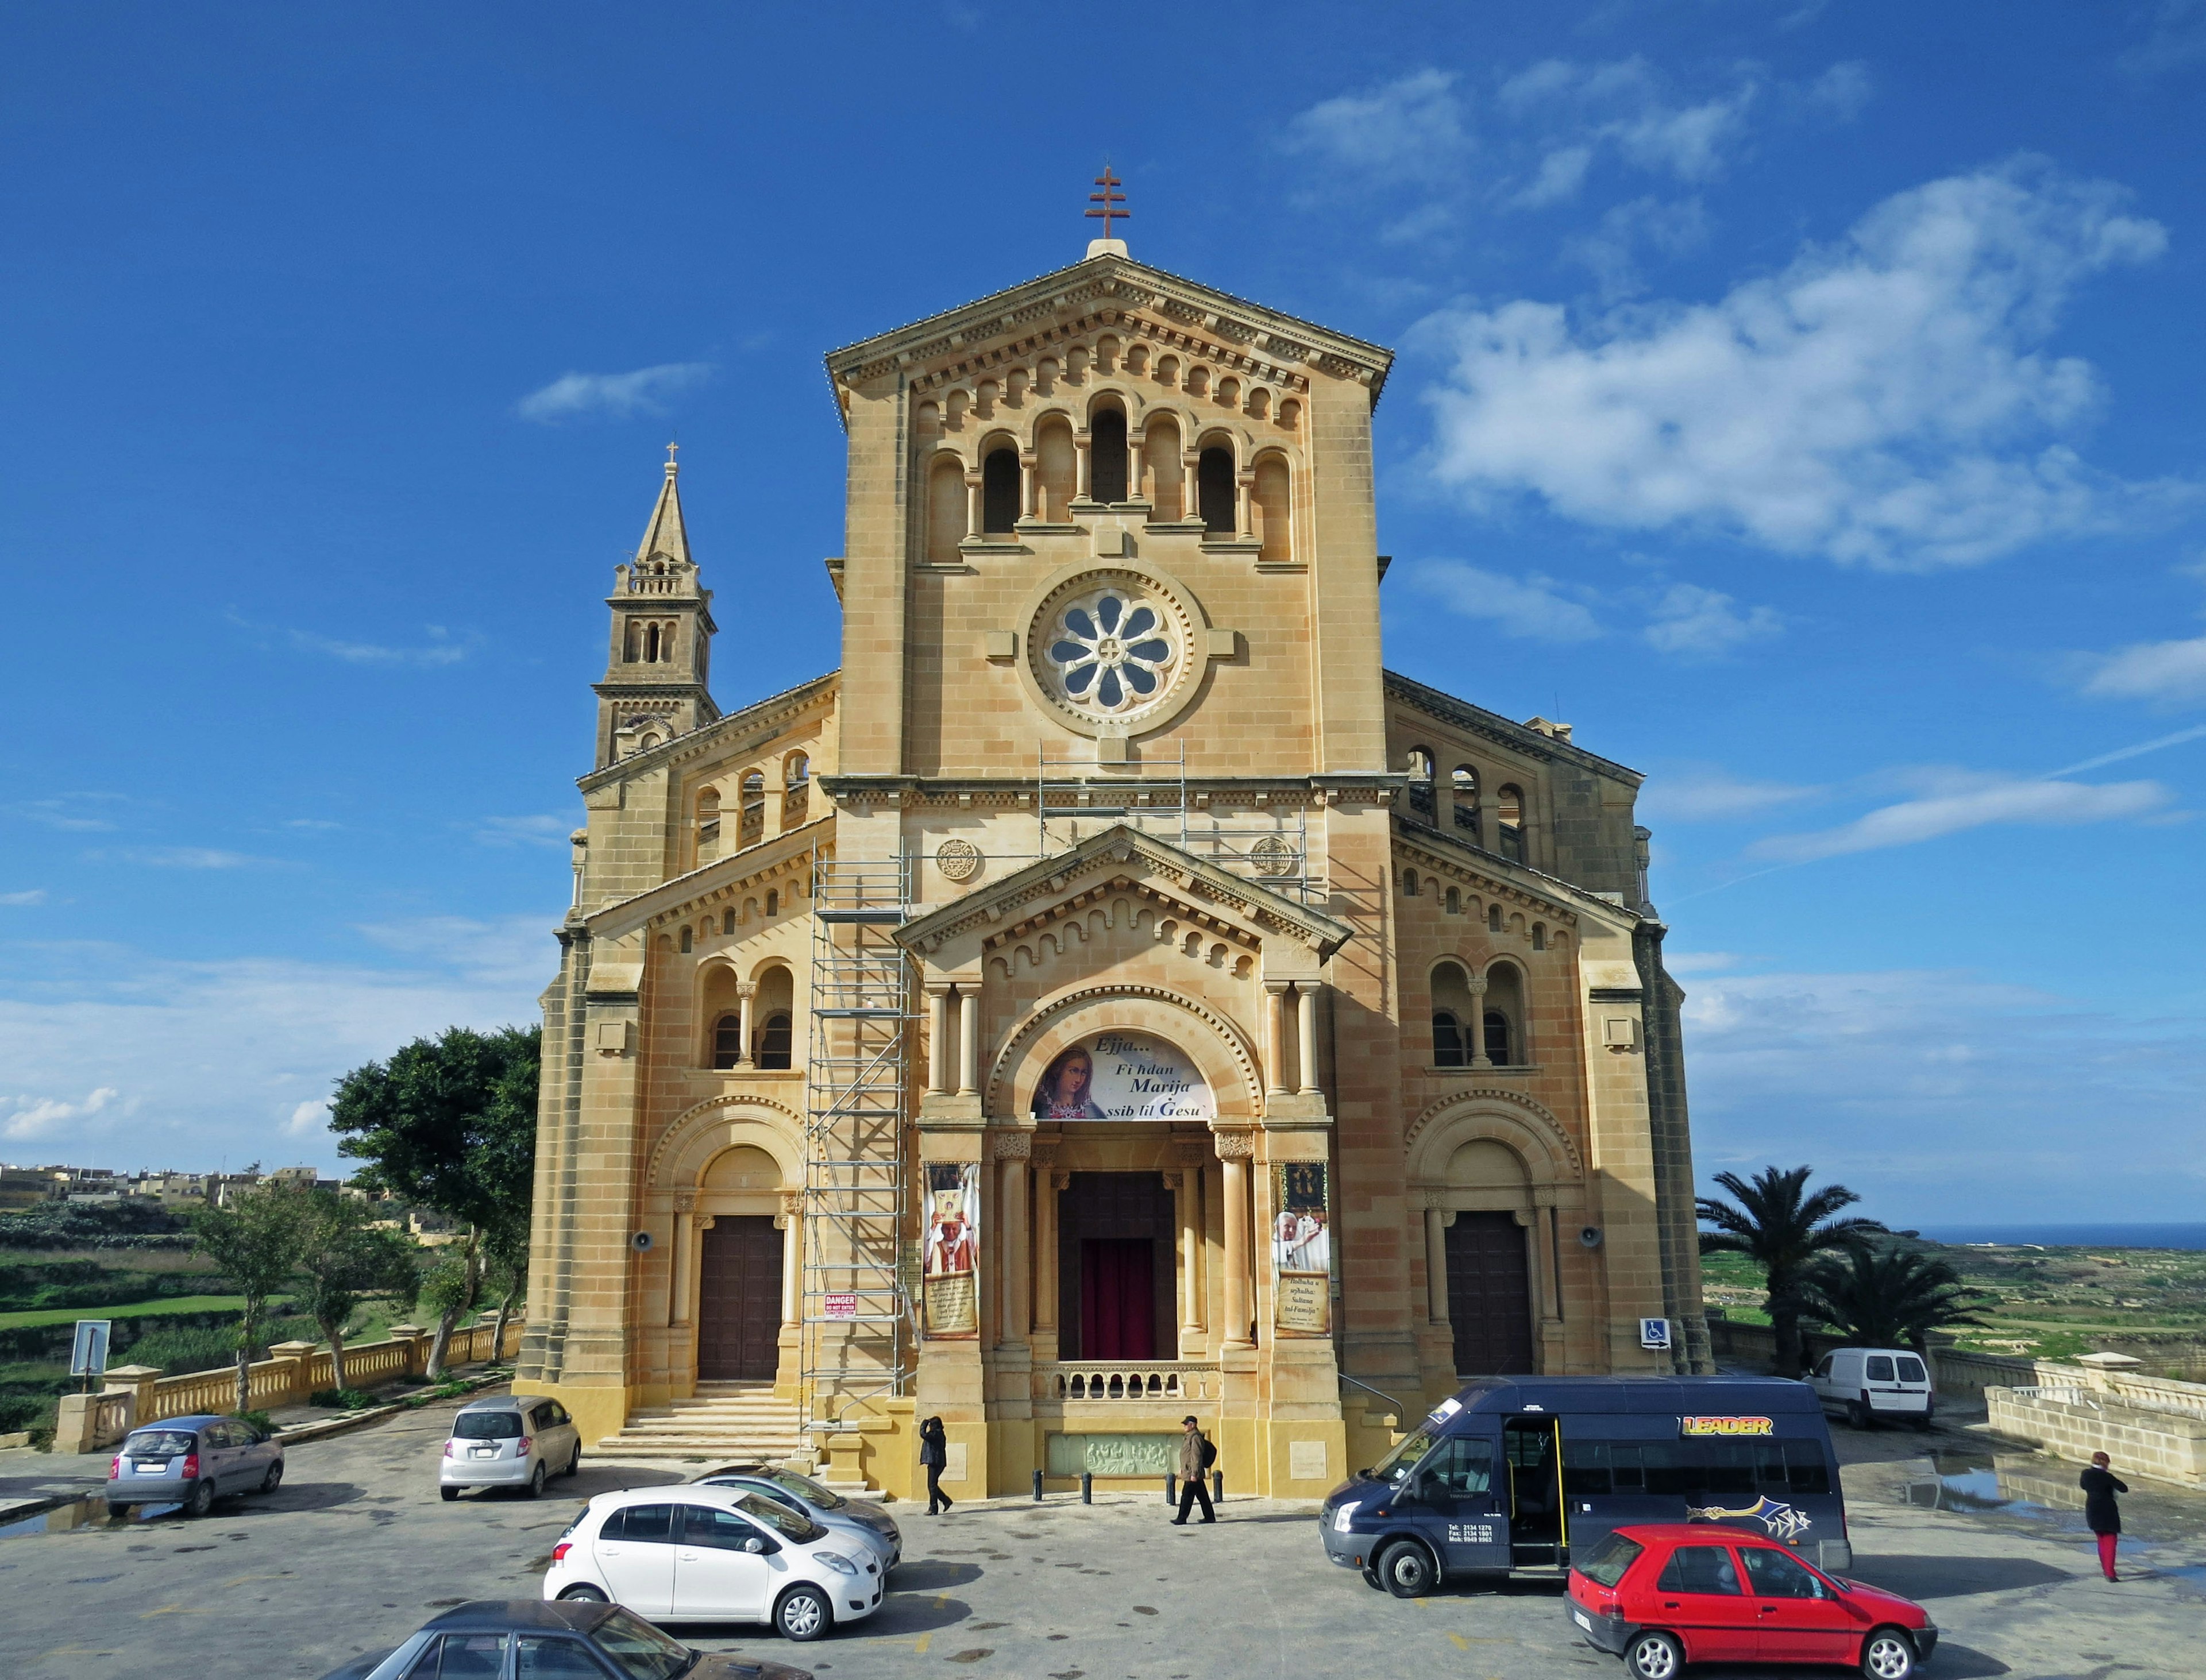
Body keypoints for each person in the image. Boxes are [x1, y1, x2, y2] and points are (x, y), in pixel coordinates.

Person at [2081, 1450, 2127, 1580]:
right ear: (2106, 1463)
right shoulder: (2107, 1476)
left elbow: (2083, 1486)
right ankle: (2110, 1573)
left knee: (2101, 1540)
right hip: (2107, 1510)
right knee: (2111, 1541)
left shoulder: (2086, 1474)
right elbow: (2124, 1488)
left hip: (2092, 1509)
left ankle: (2105, 1569)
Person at [1032, 1046, 1109, 1119]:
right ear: (1058, 1071)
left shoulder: (1092, 1111)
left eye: (1083, 1073)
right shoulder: (1040, 1107)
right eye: (1073, 1071)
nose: (1078, 1079)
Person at [1170, 1414, 1217, 1525]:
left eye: (1186, 1424)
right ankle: (1210, 1516)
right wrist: (1182, 1468)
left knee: (1187, 1495)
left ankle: (1182, 1518)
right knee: (1202, 1496)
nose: (1185, 1426)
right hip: (1190, 1471)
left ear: (1193, 1425)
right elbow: (1187, 1455)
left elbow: (1196, 1456)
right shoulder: (1190, 1436)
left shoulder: (1195, 1437)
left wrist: (1194, 1473)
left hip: (1193, 1472)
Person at [919, 1415, 952, 1516]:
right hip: (936, 1462)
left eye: (931, 1425)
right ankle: (946, 1501)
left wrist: (924, 1424)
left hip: (936, 1462)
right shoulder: (938, 1433)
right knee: (933, 1485)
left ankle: (934, 1508)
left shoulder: (936, 1434)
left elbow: (923, 1434)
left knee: (932, 1486)